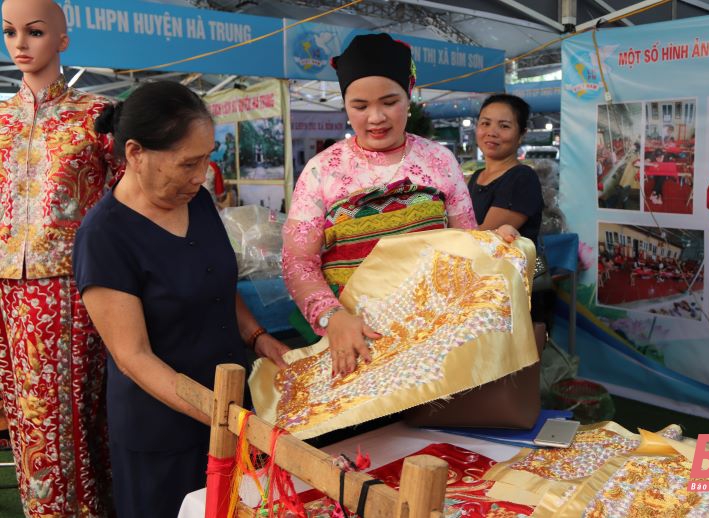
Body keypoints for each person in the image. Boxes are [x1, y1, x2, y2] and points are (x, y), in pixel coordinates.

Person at [72, 82, 290, 518]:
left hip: (231, 409)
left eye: (207, 160)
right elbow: (133, 356)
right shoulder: (104, 236)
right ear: (135, 153)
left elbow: (216, 287)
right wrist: (217, 413)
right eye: (188, 163)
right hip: (164, 430)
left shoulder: (201, 202)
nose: (201, 175)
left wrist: (259, 339)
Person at [282, 33, 518, 378]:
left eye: (389, 102)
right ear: (345, 104)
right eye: (359, 107)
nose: (375, 117)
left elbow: (465, 243)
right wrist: (332, 317)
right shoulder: (323, 169)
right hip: (354, 343)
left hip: (433, 340)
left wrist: (497, 242)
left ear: (410, 96)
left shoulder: (439, 161)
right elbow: (297, 261)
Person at [0, 1, 122, 515]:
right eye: (9, 32)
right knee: (26, 420)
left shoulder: (96, 116)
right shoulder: (0, 120)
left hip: (73, 290)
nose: (21, 44)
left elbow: (123, 199)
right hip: (7, 290)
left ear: (62, 41)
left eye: (34, 31)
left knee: (75, 414)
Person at [468, 94, 544, 245]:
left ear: (521, 134)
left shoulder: (522, 178)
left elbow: (483, 238)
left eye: (504, 126)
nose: (492, 132)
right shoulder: (477, 176)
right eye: (485, 123)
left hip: (507, 268)